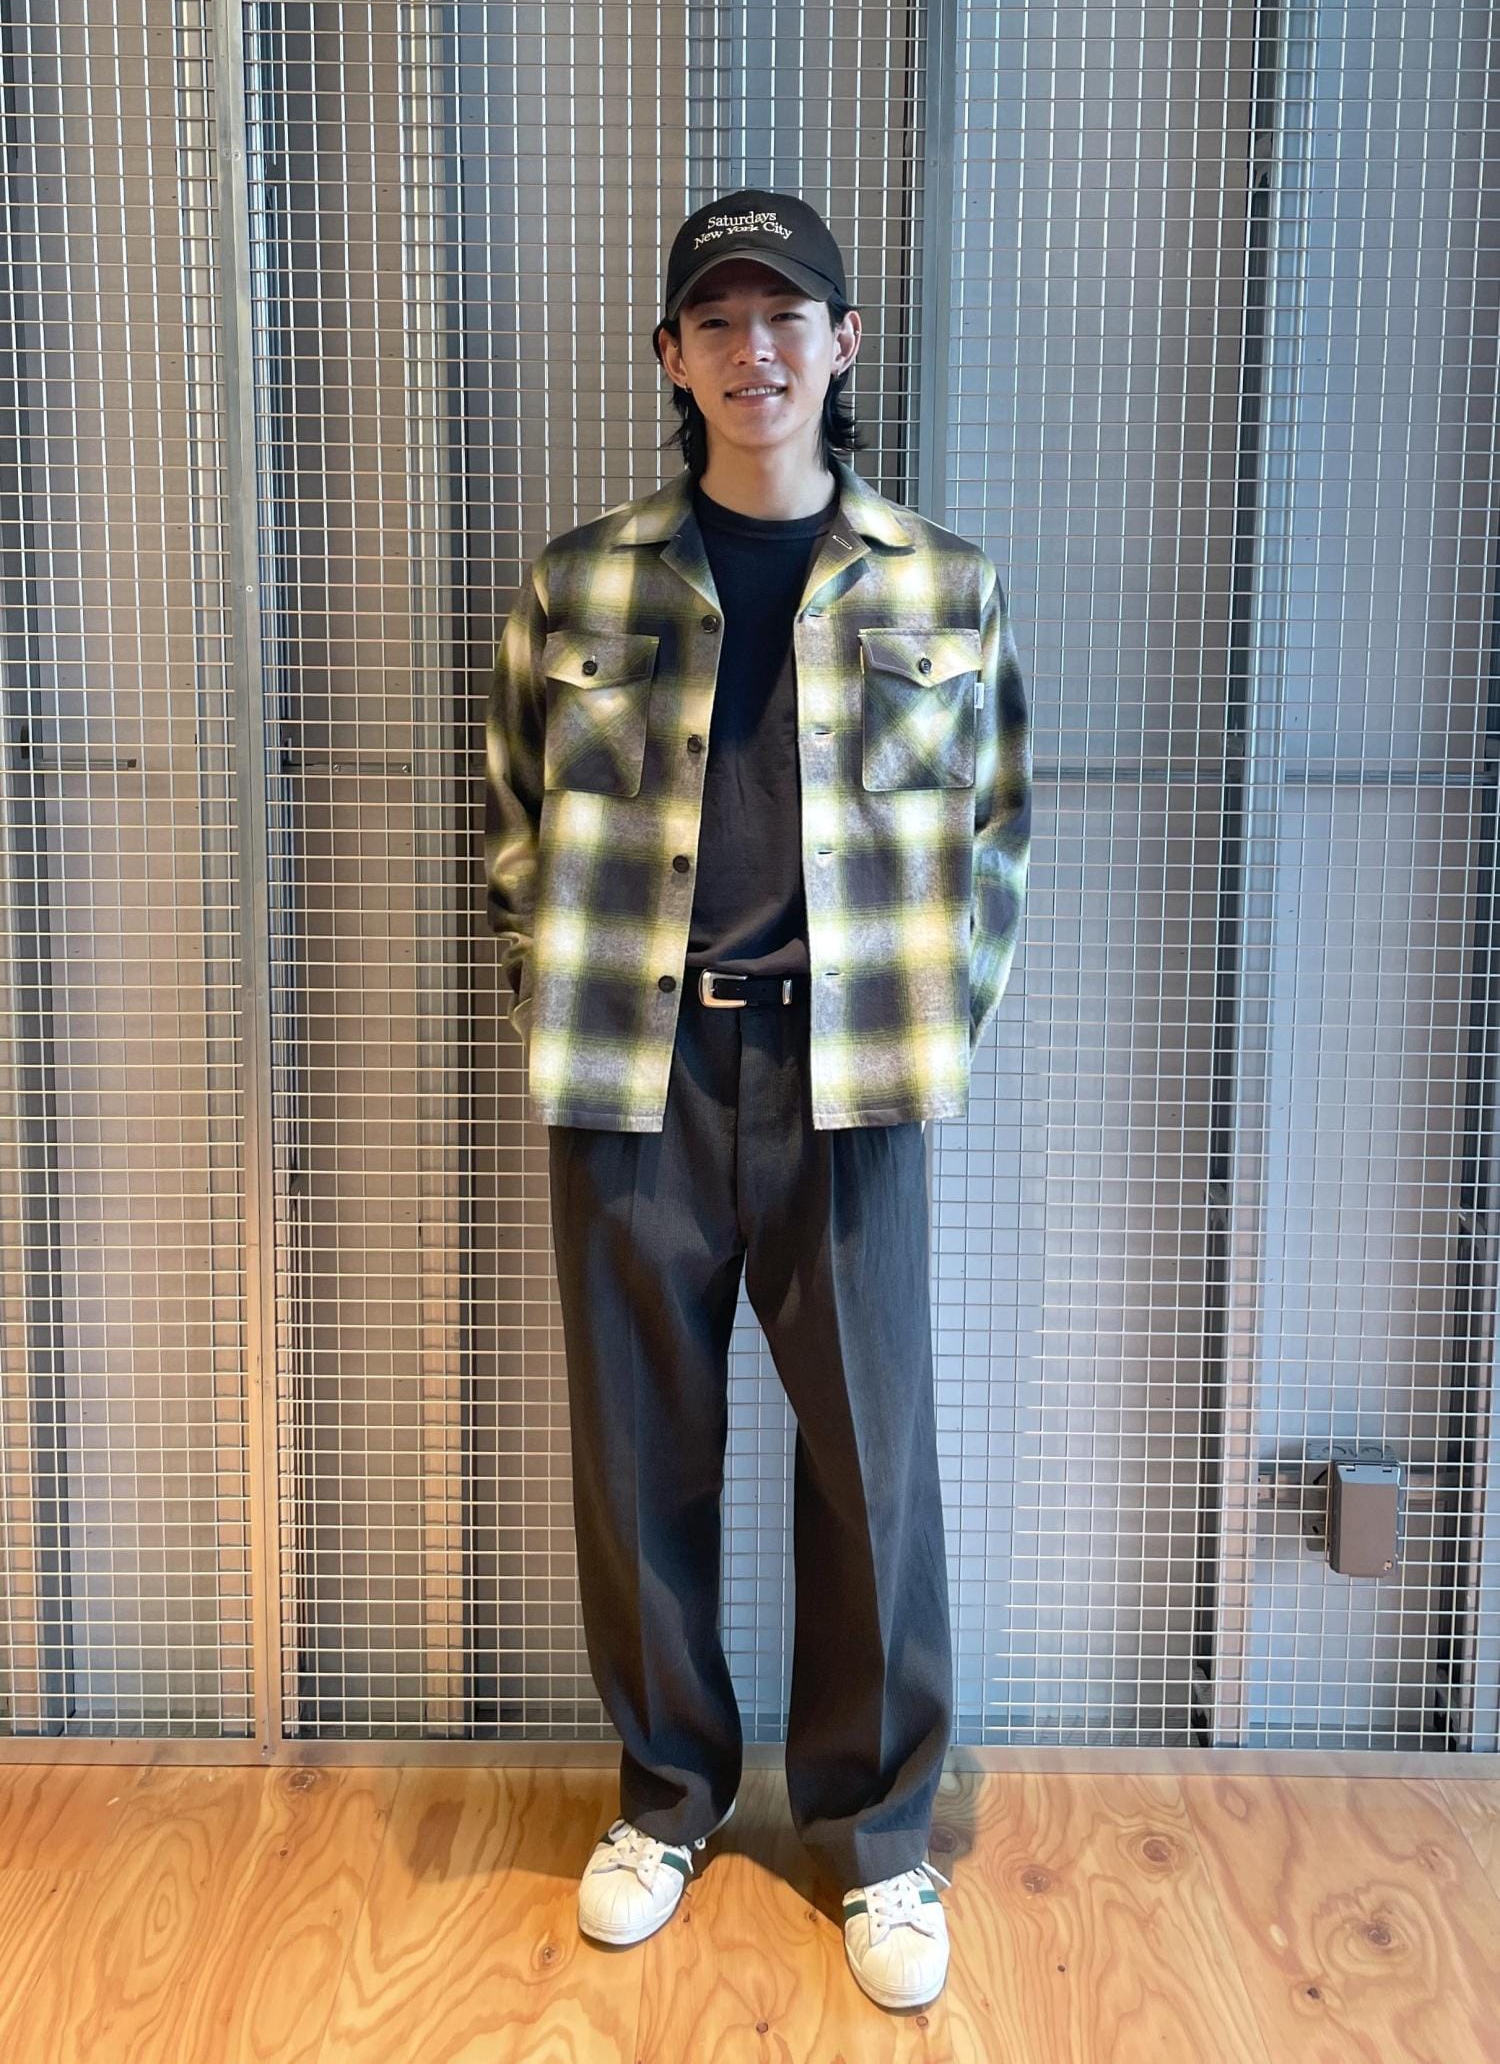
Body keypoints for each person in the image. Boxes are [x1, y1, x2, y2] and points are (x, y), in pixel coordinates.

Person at [483, 187, 1032, 2012]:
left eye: (786, 316)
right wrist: (558, 998)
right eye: (715, 321)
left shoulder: (943, 585)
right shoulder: (582, 584)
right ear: (672, 356)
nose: (754, 351)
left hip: (848, 1078)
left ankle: (877, 1835)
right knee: (639, 1449)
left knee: (874, 1460)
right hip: (636, 1076)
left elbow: (996, 835)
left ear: (842, 342)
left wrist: (932, 1020)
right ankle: (667, 1797)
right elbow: (513, 825)